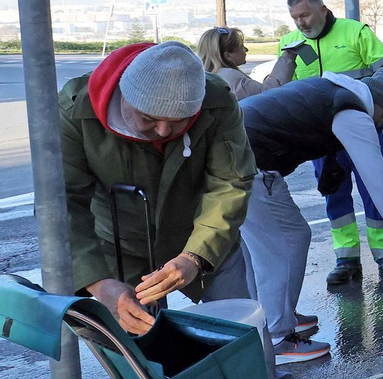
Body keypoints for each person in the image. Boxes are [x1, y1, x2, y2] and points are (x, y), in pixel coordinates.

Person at [59, 41, 255, 334]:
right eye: (149, 118)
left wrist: (196, 256)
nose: (163, 131)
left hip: (206, 238)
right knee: (134, 347)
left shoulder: (217, 100)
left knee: (242, 332)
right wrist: (98, 283)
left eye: (180, 121)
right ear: (124, 95)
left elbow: (231, 182)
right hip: (119, 247)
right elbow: (62, 204)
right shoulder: (75, 109)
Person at [239, 74, 383, 362]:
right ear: (376, 105)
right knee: (286, 241)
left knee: (259, 248)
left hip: (233, 150)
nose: (380, 123)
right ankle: (277, 336)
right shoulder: (353, 111)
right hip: (250, 161)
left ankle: (271, 319)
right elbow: (377, 178)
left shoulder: (329, 91)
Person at [275, 0, 383, 287]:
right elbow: (285, 89)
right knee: (333, 193)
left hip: (361, 126)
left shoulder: (355, 32)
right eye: (295, 18)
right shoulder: (290, 44)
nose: (301, 23)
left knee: (373, 189)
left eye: (305, 15)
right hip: (321, 135)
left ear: (322, 9)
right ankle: (346, 259)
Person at [197, 26, 285, 101]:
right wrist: (287, 57)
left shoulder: (206, 76)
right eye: (241, 47)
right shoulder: (230, 76)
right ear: (228, 55)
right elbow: (268, 94)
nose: (246, 50)